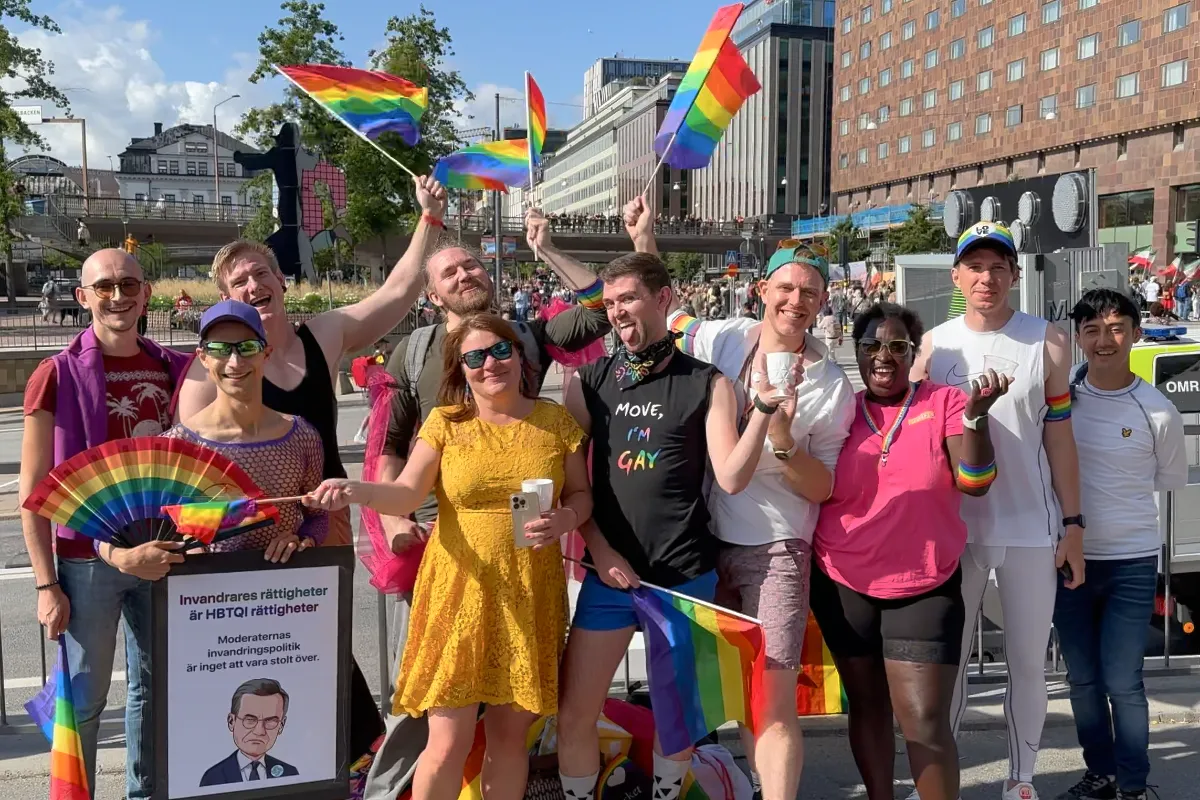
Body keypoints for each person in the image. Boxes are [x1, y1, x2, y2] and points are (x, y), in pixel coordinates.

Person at [176, 175, 453, 762]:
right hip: (243, 542)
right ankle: (288, 763)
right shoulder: (203, 379)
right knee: (250, 658)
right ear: (226, 299)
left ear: (281, 281)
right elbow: (188, 480)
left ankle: (343, 766)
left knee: (318, 646)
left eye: (261, 274)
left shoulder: (320, 335)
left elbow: (399, 292)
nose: (254, 285)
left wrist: (427, 219)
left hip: (321, 527)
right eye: (238, 281)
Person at [360, 210, 611, 800]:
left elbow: (601, 307)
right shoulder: (414, 352)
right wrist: (392, 519)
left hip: (526, 570)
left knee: (505, 734)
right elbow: (390, 448)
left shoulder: (526, 335)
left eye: (471, 263)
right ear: (432, 291)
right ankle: (385, 792)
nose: (464, 273)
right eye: (449, 270)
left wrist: (547, 248)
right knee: (431, 723)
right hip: (437, 553)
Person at [306, 313, 592, 800]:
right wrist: (355, 489)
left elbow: (582, 495)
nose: (489, 365)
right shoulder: (445, 423)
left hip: (528, 591)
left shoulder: (554, 422)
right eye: (474, 358)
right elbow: (404, 494)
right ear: (460, 369)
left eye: (499, 351)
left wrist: (565, 520)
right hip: (458, 591)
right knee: (446, 740)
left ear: (518, 355)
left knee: (508, 740)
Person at [629, 205, 855, 800]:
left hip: (777, 547)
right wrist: (644, 237)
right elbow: (666, 314)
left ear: (823, 302)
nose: (796, 300)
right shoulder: (725, 337)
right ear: (762, 291)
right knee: (717, 689)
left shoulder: (831, 385)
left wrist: (782, 440)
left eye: (810, 291)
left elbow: (823, 488)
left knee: (772, 695)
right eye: (785, 287)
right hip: (702, 541)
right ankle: (752, 785)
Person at [556, 247, 798, 800]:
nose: (617, 311)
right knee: (575, 715)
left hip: (684, 577)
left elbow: (732, 477)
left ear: (663, 299)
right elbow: (577, 489)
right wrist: (601, 551)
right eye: (610, 302)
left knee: (678, 721)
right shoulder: (586, 382)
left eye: (629, 298)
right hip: (609, 575)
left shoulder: (707, 381)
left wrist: (761, 411)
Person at [913, 222, 1085, 800]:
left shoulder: (1049, 340)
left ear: (1014, 274)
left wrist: (1073, 524)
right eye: (975, 266)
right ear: (957, 276)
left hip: (1031, 528)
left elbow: (1060, 439)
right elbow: (912, 442)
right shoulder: (935, 346)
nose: (987, 278)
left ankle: (1022, 780)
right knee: (950, 666)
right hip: (953, 533)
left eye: (998, 266)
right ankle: (939, 782)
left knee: (1028, 664)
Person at [814, 302, 1007, 800]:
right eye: (872, 346)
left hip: (924, 583)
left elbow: (974, 482)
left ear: (912, 354)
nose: (884, 356)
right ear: (855, 351)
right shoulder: (841, 409)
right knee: (868, 705)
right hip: (842, 580)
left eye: (897, 347)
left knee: (923, 720)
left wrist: (977, 419)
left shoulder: (942, 401)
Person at [18, 249, 191, 800]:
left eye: (129, 284)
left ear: (146, 292)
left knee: (154, 693)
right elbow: (32, 495)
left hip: (163, 551)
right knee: (86, 699)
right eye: (105, 286)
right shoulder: (56, 374)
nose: (119, 296)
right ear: (83, 296)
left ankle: (143, 794)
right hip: (84, 561)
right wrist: (46, 585)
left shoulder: (177, 368)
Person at [1053, 290, 1187, 800]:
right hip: (1068, 559)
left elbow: (1165, 478)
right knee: (1082, 681)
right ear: (1079, 338)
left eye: (1114, 328)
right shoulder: (1061, 400)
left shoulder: (1158, 411)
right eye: (1091, 330)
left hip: (1131, 560)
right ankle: (1100, 773)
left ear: (1135, 332)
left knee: (1123, 682)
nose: (1104, 340)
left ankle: (1132, 785)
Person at [159, 300, 328, 556]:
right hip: (204, 593)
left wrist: (304, 540)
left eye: (248, 348)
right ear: (203, 357)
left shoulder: (301, 437)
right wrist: (181, 550)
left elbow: (318, 516)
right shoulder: (177, 446)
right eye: (220, 349)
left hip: (282, 590)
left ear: (266, 353)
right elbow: (144, 524)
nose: (235, 362)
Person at [201, 679, 299, 786]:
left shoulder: (290, 773)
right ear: (231, 722)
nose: (259, 731)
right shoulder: (212, 778)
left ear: (281, 726)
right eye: (250, 720)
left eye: (270, 721)